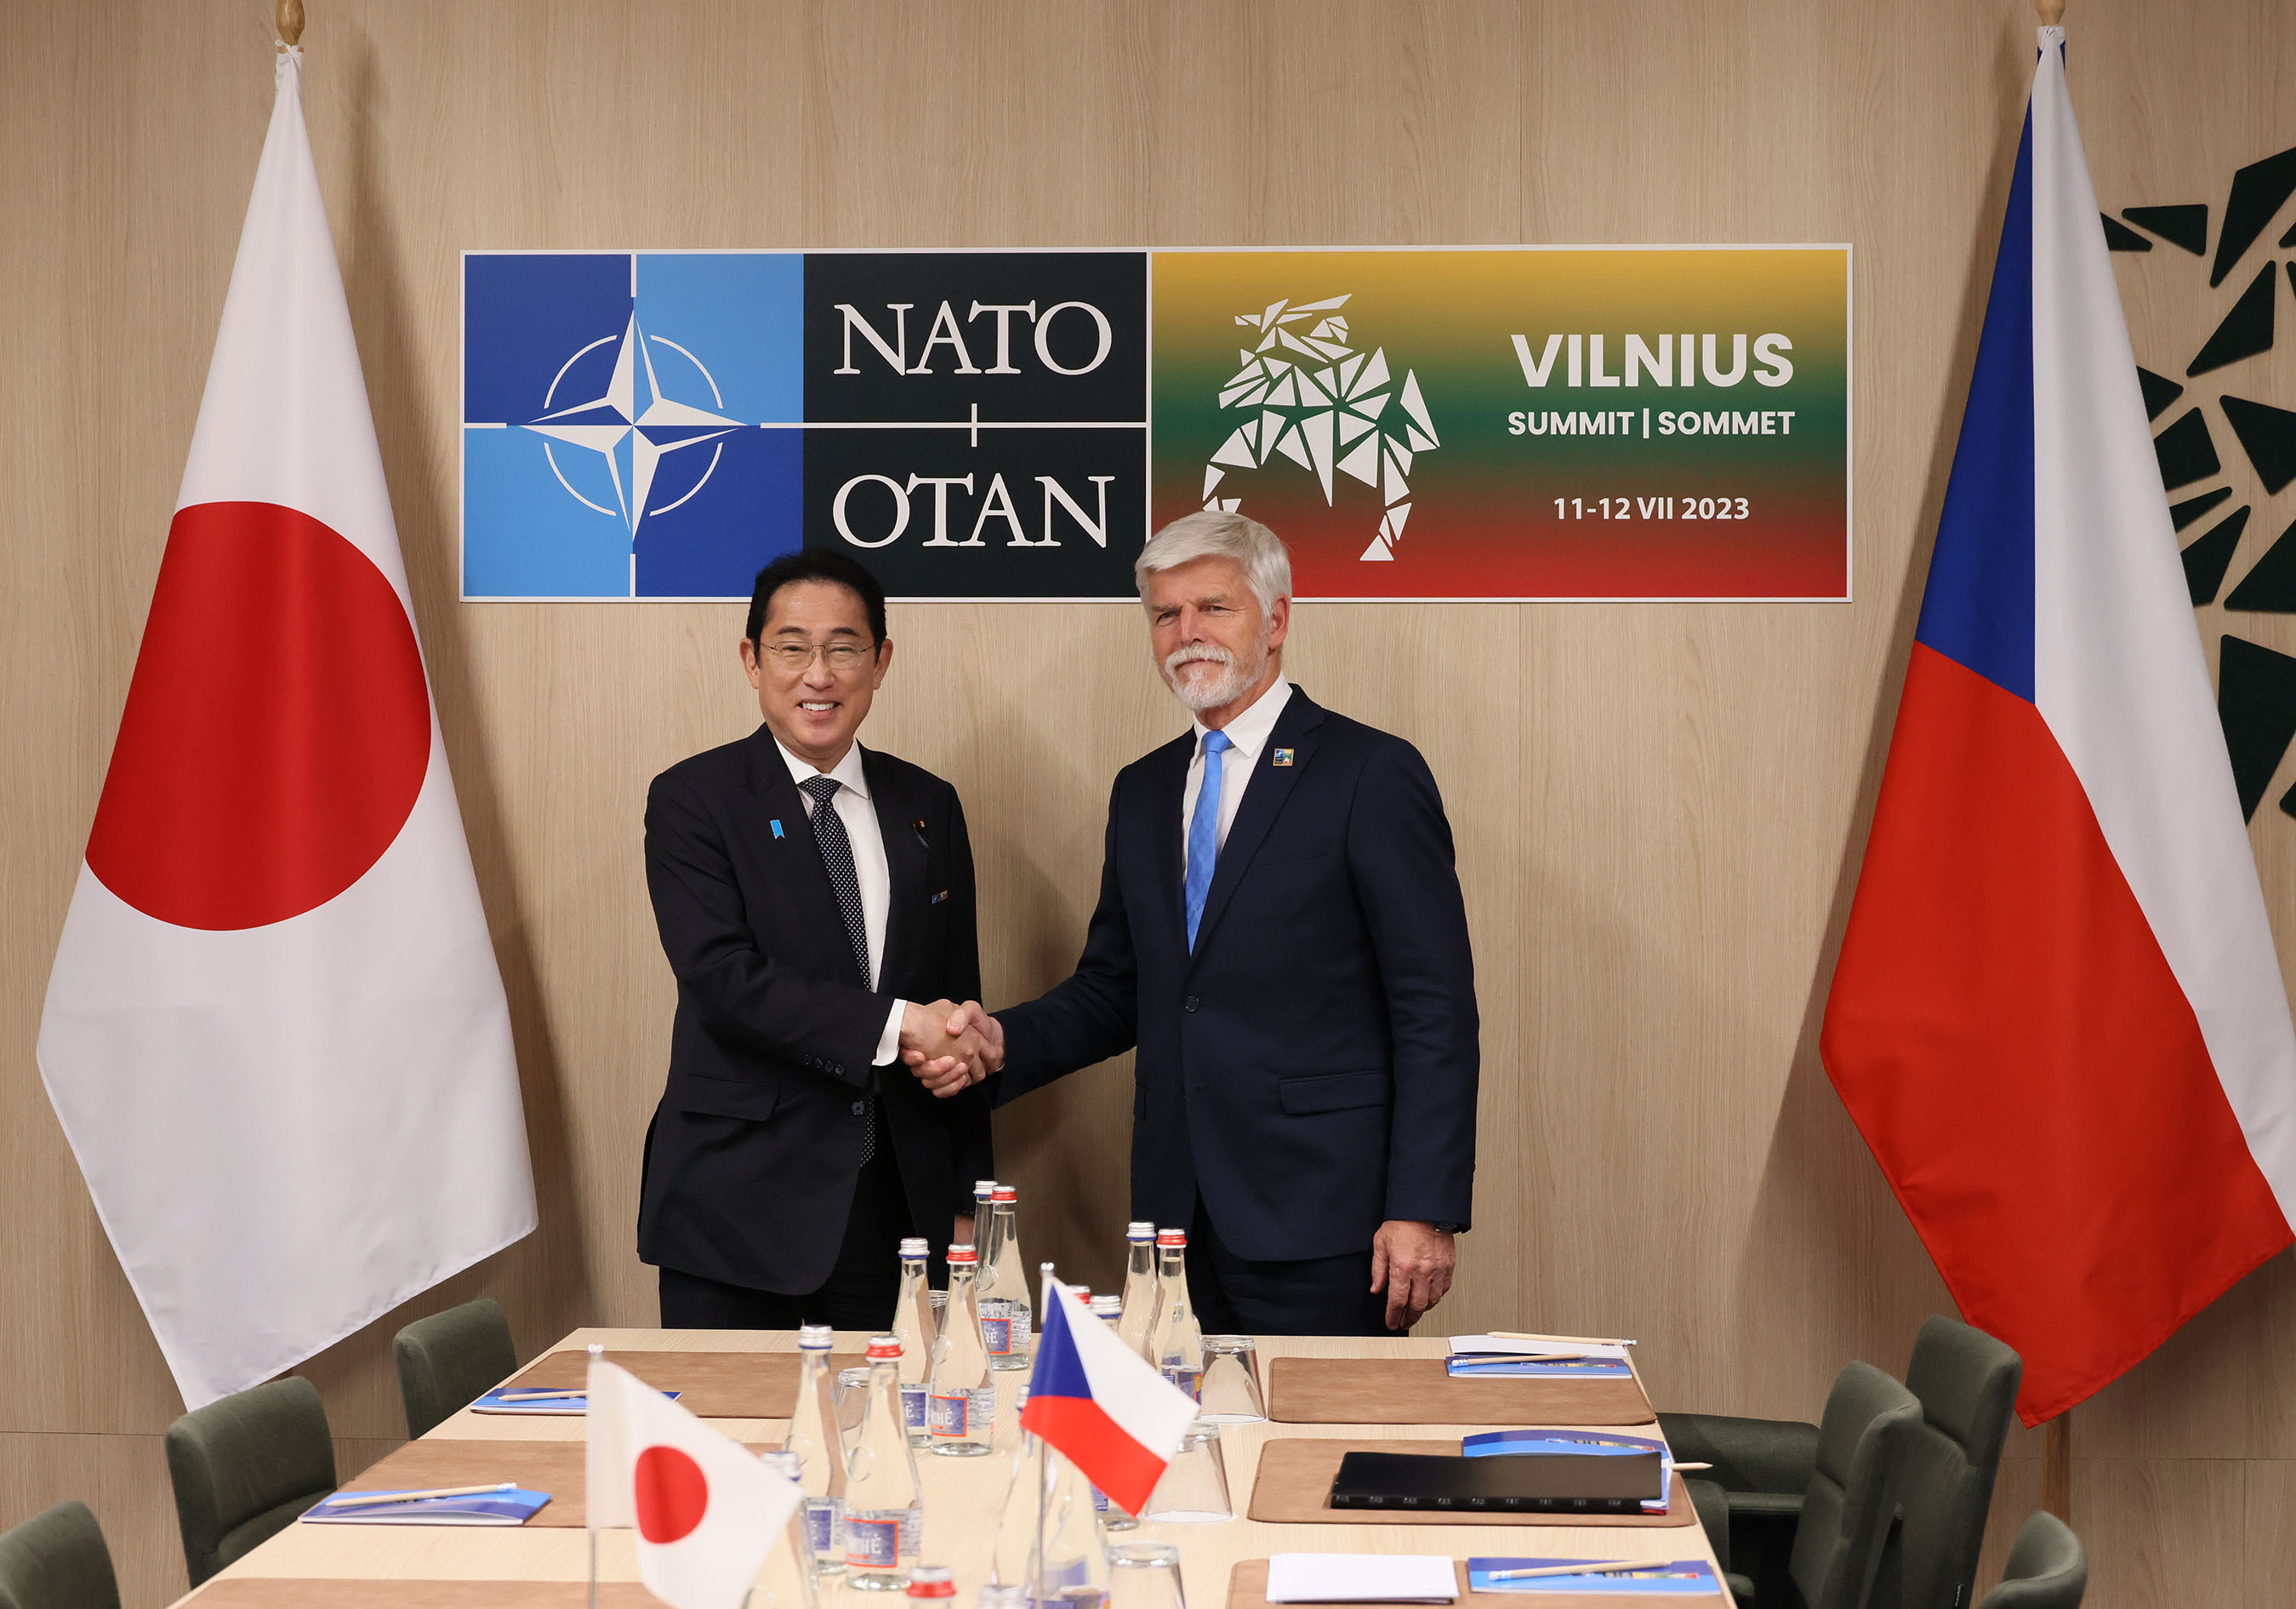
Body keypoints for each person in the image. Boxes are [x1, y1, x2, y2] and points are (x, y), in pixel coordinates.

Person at [909, 511, 1478, 1333]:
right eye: (1165, 615)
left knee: (1309, 1424)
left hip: (1328, 1219)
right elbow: (1116, 989)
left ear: (1275, 620)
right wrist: (998, 1041)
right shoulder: (1142, 790)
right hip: (1172, 1223)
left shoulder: (1369, 772)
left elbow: (1434, 1006)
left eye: (1213, 607)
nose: (1187, 634)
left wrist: (1423, 1205)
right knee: (1180, 1419)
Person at [639, 549, 995, 1329]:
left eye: (843, 648)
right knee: (733, 1411)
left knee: (888, 1408)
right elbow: (723, 981)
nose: (818, 675)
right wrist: (900, 1023)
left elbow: (956, 1006)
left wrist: (970, 1202)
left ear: (880, 661)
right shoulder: (694, 799)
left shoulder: (927, 803)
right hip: (735, 1208)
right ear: (751, 660)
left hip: (892, 1207)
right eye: (791, 648)